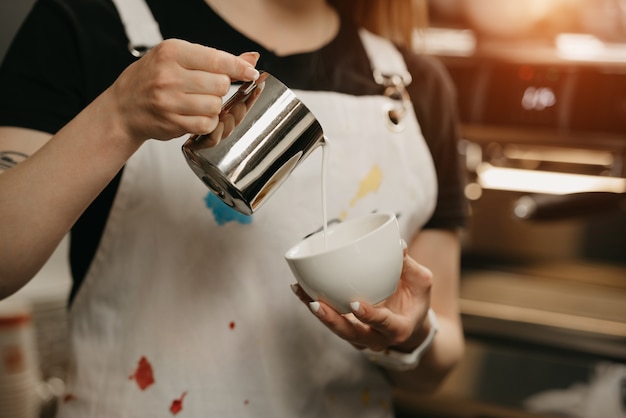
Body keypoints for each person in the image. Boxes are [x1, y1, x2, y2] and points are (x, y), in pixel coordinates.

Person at [0, 0, 467, 416]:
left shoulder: (416, 86)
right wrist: (119, 114)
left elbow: (439, 360)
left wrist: (411, 337)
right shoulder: (90, 21)